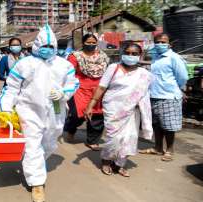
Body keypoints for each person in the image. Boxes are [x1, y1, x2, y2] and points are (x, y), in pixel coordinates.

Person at [0, 24, 79, 202]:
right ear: (36, 46)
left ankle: (33, 163)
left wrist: (64, 94)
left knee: (49, 144)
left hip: (56, 111)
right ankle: (37, 184)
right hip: (29, 111)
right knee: (33, 145)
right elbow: (11, 88)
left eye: (51, 47)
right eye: (44, 46)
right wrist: (5, 108)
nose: (47, 50)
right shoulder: (25, 64)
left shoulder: (64, 65)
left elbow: (73, 84)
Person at [85, 42, 153, 177]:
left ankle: (119, 164)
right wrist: (90, 105)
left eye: (134, 54)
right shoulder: (113, 68)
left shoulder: (144, 74)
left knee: (130, 137)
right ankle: (106, 161)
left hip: (133, 109)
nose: (130, 55)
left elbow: (144, 94)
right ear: (122, 53)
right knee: (114, 138)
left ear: (140, 56)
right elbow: (102, 87)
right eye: (127, 53)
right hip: (113, 108)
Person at [139, 33, 188, 162]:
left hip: (169, 96)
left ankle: (170, 150)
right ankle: (158, 147)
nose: (160, 44)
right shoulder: (155, 57)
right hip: (153, 95)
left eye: (163, 42)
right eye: (158, 42)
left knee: (168, 126)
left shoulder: (174, 58)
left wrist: (178, 89)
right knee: (157, 124)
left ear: (169, 44)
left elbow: (182, 77)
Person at [63, 33, 109, 150]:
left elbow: (108, 72)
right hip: (80, 89)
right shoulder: (75, 56)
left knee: (97, 115)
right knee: (77, 115)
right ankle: (70, 128)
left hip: (98, 88)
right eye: (88, 42)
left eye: (94, 43)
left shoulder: (103, 56)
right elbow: (68, 71)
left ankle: (92, 141)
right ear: (83, 43)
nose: (91, 44)